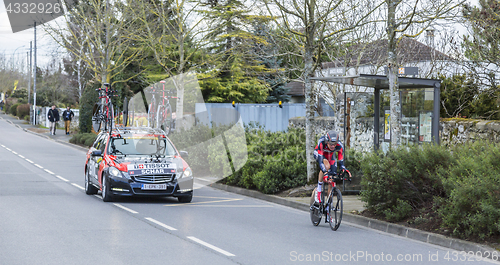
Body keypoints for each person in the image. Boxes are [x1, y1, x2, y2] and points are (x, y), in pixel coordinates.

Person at [313, 130, 348, 205]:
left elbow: (341, 161)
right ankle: (319, 190)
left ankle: (328, 208)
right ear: (327, 142)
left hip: (330, 157)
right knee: (326, 166)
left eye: (334, 144)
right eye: (331, 144)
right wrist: (325, 172)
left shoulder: (339, 146)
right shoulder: (322, 142)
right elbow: (320, 161)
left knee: (332, 179)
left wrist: (343, 169)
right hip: (320, 154)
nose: (333, 146)